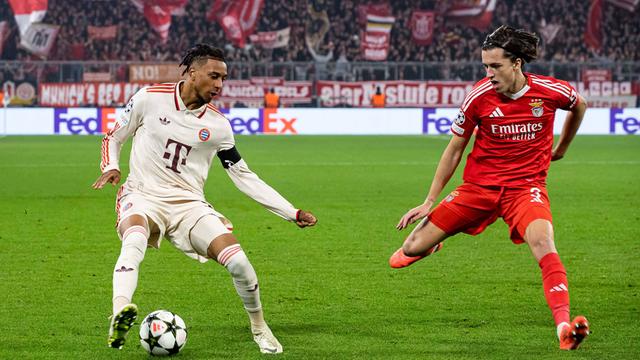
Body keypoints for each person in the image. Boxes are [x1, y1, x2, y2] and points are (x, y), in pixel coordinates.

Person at [92, 43, 317, 354]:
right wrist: (112, 166)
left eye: (223, 79)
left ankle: (259, 327)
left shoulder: (218, 126)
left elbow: (244, 176)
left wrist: (291, 212)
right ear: (192, 72)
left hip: (189, 205)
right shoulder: (149, 98)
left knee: (238, 262)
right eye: (214, 76)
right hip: (143, 195)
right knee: (134, 238)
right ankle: (120, 312)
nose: (219, 85)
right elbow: (113, 135)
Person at [389, 25, 589, 351]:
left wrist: (563, 146)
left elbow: (579, 104)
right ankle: (431, 244)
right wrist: (429, 201)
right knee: (406, 252)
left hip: (526, 189)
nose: (488, 73)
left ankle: (564, 327)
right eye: (485, 66)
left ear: (517, 63)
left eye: (495, 66)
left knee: (543, 242)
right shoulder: (479, 96)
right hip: (478, 189)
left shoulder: (551, 91)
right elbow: (454, 148)